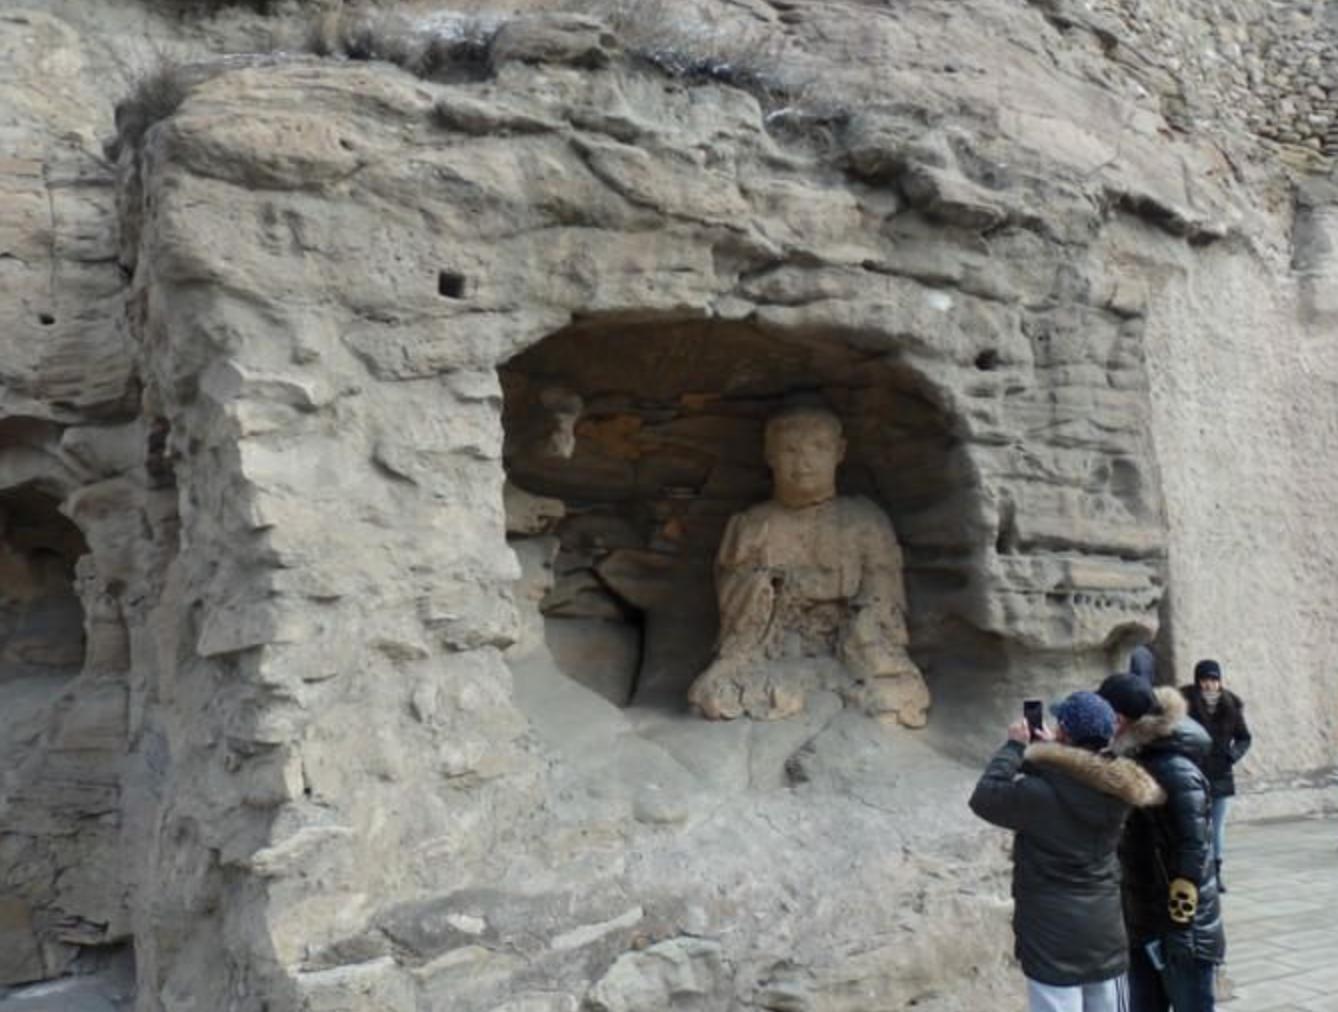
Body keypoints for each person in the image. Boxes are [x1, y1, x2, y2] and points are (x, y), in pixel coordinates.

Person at [687, 406, 929, 726]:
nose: (804, 462)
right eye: (790, 450)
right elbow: (738, 616)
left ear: (840, 452)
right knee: (716, 693)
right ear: (769, 455)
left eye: (819, 447)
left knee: (893, 694)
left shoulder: (864, 521)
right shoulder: (753, 525)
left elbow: (883, 602)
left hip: (851, 650)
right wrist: (766, 587)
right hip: (773, 652)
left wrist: (861, 634)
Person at [970, 691, 1164, 1012]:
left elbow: (984, 798)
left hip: (1051, 933)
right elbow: (1081, 777)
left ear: (1064, 733)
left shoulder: (1037, 794)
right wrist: (1056, 752)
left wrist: (1015, 747)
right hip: (1104, 927)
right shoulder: (1119, 789)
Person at [1097, 674, 1224, 1012]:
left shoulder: (1174, 769)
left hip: (1180, 928)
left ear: (1119, 719)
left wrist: (1181, 926)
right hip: (1144, 920)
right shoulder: (1134, 759)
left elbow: (1193, 848)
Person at [1180, 659, 1251, 893]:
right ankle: (1199, 872)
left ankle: (1216, 873)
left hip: (1221, 773)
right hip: (1194, 773)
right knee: (1195, 826)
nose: (1209, 684)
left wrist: (1232, 755)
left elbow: (1244, 737)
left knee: (1217, 826)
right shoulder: (1186, 703)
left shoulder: (1231, 705)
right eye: (1204, 679)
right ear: (1197, 681)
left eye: (1214, 679)